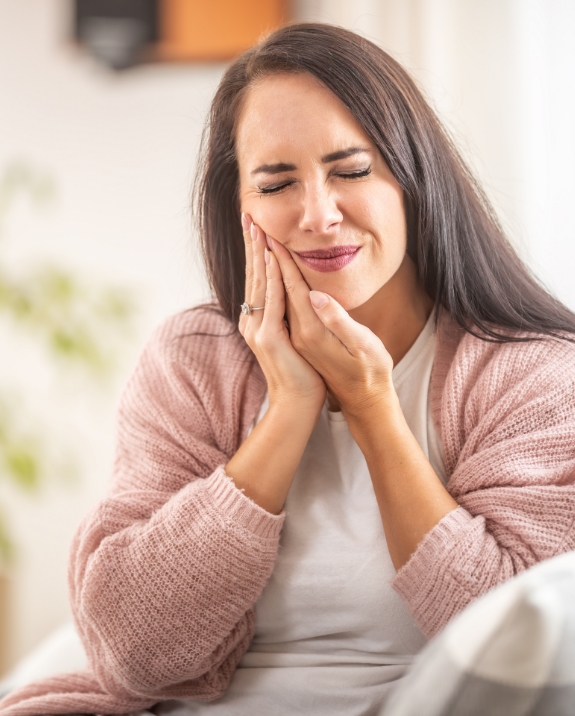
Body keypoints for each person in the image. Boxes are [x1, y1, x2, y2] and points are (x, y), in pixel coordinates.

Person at [2, 21, 575, 716]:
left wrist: (369, 407)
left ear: (412, 179)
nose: (318, 214)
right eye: (276, 183)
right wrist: (287, 409)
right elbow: (132, 652)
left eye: (352, 170)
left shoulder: (531, 377)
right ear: (238, 207)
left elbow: (519, 648)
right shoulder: (192, 361)